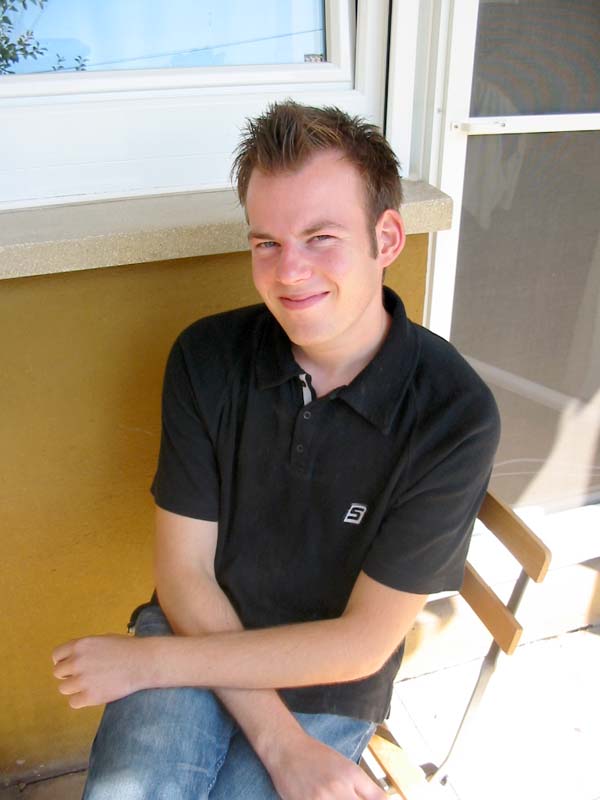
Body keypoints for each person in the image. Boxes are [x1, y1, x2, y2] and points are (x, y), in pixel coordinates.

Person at [52, 101, 500, 799]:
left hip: (327, 677)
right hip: (196, 624)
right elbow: (185, 574)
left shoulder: (452, 414)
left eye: (321, 237)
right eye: (267, 243)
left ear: (386, 238)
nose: (289, 272)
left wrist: (148, 665)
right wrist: (277, 740)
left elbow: (360, 643)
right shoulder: (207, 357)